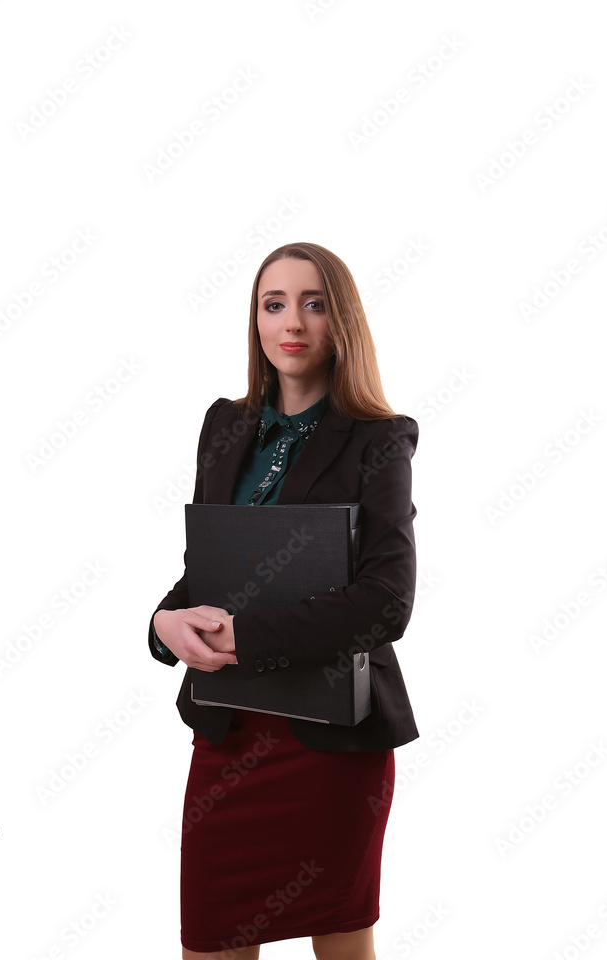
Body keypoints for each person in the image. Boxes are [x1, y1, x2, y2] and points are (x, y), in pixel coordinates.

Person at [148, 241, 420, 960]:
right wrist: (161, 619)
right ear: (255, 322)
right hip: (229, 734)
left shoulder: (379, 441)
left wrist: (251, 637)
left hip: (331, 752)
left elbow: (386, 601)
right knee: (207, 940)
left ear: (342, 322)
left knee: (340, 940)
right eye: (273, 304)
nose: (290, 321)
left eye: (313, 303)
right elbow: (204, 571)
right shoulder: (224, 425)